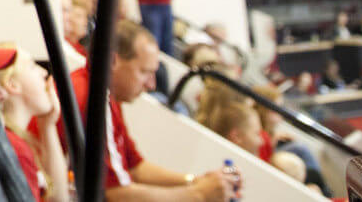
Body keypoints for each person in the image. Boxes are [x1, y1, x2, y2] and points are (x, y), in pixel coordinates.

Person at [66, 21, 241, 201]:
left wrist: (198, 182)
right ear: (112, 61)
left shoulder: (105, 94)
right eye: (145, 72)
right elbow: (116, 194)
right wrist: (200, 194)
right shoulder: (91, 99)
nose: (152, 84)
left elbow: (135, 168)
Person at [0, 45, 68, 200]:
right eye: (32, 66)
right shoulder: (14, 148)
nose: (44, 72)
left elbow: (58, 197)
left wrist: (47, 126)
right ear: (12, 85)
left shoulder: (15, 140)